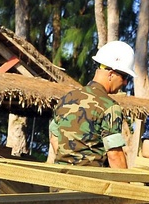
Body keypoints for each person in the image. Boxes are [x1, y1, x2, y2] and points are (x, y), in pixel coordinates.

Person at [49, 40, 134, 168]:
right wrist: (126, 186)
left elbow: (54, 139)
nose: (126, 83)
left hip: (59, 181)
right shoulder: (110, 107)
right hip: (89, 185)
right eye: (125, 77)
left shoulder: (66, 98)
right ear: (111, 74)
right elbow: (114, 155)